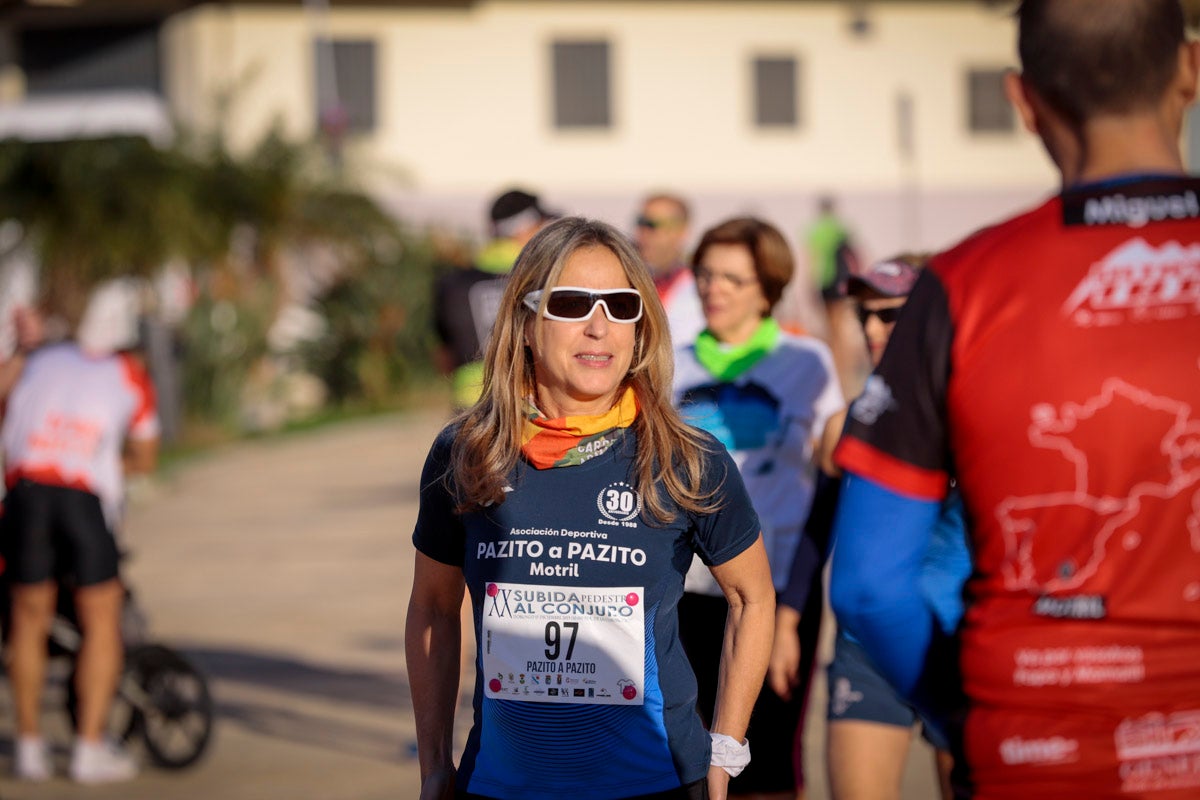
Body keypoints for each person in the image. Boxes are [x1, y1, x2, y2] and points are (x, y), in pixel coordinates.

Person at [828, 2, 1200, 798]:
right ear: (1190, 72)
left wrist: (963, 715)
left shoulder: (962, 286)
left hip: (1034, 752)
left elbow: (866, 582)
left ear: (1022, 100)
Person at [406, 216, 776, 800]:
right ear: (526, 324)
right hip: (502, 786)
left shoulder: (686, 457)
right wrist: (433, 765)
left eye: (621, 306)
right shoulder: (466, 453)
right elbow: (431, 606)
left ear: (641, 327)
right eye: (573, 303)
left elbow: (752, 597)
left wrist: (725, 752)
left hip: (656, 784)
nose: (599, 327)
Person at [672, 217, 843, 800]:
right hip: (683, 591)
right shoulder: (666, 364)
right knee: (688, 758)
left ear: (768, 290)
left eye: (732, 279)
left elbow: (831, 479)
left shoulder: (808, 362)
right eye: (705, 274)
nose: (712, 288)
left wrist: (792, 610)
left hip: (775, 591)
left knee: (766, 762)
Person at [816, 255, 969, 800]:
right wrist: (788, 618)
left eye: (892, 315)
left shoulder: (979, 413)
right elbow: (817, 537)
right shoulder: (847, 423)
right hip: (867, 647)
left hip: (957, 639)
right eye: (866, 317)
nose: (875, 331)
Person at [1, 336, 159, 784]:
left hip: (25, 492)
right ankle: (88, 750)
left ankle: (29, 748)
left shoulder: (37, 360)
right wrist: (109, 461)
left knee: (28, 620)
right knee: (101, 620)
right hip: (80, 498)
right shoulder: (130, 375)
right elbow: (145, 458)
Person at [433, 188, 556, 409]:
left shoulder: (452, 284)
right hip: (528, 403)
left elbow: (444, 357)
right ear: (525, 227)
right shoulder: (545, 278)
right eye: (542, 225)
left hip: (469, 403)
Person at [634, 193, 705, 345]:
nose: (642, 233)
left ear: (681, 232)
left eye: (651, 225)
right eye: (640, 223)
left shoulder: (701, 291)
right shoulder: (632, 280)